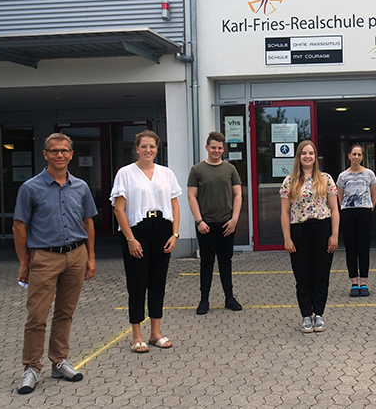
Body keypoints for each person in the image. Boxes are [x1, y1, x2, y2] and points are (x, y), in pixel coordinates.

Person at [13, 133, 97, 394]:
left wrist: (91, 257)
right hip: (44, 257)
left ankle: (58, 361)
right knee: (37, 315)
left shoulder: (81, 187)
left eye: (64, 151)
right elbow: (19, 226)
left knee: (65, 312)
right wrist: (24, 262)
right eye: (54, 151)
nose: (59, 155)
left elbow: (88, 223)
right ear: (45, 155)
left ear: (71, 154)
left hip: (76, 255)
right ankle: (31, 368)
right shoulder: (30, 188)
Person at [111, 130, 182, 353]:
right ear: (137, 148)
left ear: (157, 149)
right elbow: (119, 209)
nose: (148, 150)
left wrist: (175, 234)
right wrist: (130, 238)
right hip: (137, 232)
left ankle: (155, 333)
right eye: (144, 146)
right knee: (137, 283)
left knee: (158, 282)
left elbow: (175, 205)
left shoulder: (166, 173)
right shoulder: (125, 173)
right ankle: (137, 335)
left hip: (162, 229)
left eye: (152, 147)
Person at [280, 140, 340, 333]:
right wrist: (287, 238)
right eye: (304, 153)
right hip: (299, 230)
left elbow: (334, 209)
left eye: (311, 153)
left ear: (316, 157)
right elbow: (284, 212)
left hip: (322, 229)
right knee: (302, 275)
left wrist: (335, 235)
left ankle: (319, 314)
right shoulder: (289, 181)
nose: (307, 156)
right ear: (298, 157)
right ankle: (306, 315)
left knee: (321, 274)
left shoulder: (326, 179)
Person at [188, 131, 244, 315]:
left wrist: (234, 218)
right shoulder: (197, 170)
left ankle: (229, 297)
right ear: (207, 148)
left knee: (225, 261)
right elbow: (191, 196)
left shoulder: (230, 170)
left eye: (220, 148)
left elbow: (238, 194)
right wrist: (199, 221)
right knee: (207, 263)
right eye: (213, 147)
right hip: (206, 225)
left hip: (226, 224)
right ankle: (204, 300)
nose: (216, 150)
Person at [336, 144, 376, 297]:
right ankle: (354, 282)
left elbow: (375, 195)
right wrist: (345, 209)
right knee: (351, 249)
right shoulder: (342, 176)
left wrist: (367, 208)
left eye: (359, 154)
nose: (356, 157)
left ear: (362, 157)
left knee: (363, 248)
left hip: (364, 213)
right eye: (353, 154)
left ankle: (364, 283)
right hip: (348, 213)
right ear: (348, 156)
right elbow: (339, 196)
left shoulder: (369, 175)